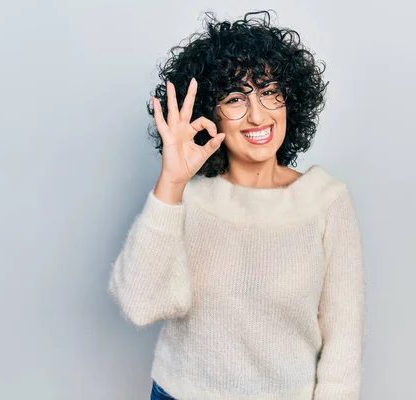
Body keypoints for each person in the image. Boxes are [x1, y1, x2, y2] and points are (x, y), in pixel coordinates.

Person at [109, 10, 366, 400]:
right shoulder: (188, 196)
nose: (258, 114)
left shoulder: (325, 201)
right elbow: (141, 305)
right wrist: (172, 183)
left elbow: (344, 342)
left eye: (269, 91)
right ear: (211, 115)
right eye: (235, 99)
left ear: (289, 100)